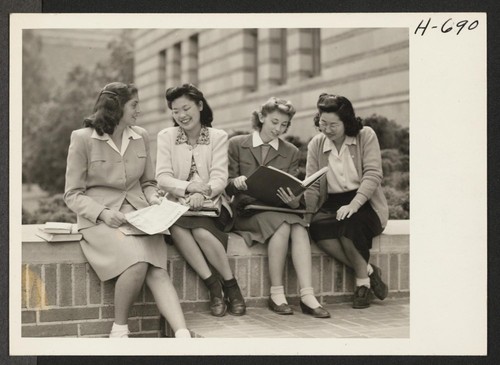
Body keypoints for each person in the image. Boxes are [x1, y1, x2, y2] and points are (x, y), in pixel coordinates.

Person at [64, 82, 190, 338]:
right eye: (134, 105)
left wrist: (154, 199)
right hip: (102, 221)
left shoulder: (140, 135)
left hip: (141, 217)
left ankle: (183, 335)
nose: (139, 110)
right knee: (137, 263)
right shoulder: (83, 138)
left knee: (158, 270)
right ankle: (119, 330)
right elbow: (72, 194)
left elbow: (148, 183)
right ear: (116, 107)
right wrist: (103, 213)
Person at [226, 97, 330, 318]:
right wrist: (235, 183)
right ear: (261, 117)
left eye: (284, 125)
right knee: (284, 226)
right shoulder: (237, 144)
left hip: (278, 209)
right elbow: (224, 182)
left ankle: (307, 296)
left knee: (300, 228)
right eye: (274, 122)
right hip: (247, 211)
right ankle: (276, 294)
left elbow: (293, 187)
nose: (278, 129)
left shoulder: (290, 151)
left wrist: (294, 200)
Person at [156, 84, 246, 317]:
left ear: (200, 105)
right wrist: (188, 188)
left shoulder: (218, 137)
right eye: (175, 111)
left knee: (202, 233)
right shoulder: (166, 136)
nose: (181, 115)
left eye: (186, 108)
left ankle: (230, 285)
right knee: (176, 227)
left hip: (213, 206)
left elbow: (219, 177)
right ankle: (214, 287)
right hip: (178, 207)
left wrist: (201, 193)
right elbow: (162, 177)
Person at [305, 93, 389, 309]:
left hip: (364, 200)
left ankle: (362, 284)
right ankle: (369, 270)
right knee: (316, 228)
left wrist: (354, 204)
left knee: (349, 225)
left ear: (347, 122)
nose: (327, 129)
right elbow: (313, 184)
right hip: (331, 201)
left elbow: (373, 174)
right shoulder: (316, 144)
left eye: (334, 125)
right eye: (323, 123)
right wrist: (306, 212)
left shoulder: (365, 136)